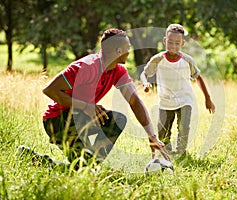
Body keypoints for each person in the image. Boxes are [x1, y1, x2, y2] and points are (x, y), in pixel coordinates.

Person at [23, 28, 169, 166]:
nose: (130, 51)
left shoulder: (118, 71)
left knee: (116, 121)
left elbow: (134, 101)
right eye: (128, 47)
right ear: (118, 51)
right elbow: (49, 90)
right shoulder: (87, 67)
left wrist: (151, 136)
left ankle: (88, 164)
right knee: (83, 167)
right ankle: (83, 165)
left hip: (79, 117)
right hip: (57, 120)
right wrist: (86, 106)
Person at [140, 24, 215, 155]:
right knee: (163, 131)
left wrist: (208, 99)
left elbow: (198, 77)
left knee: (184, 127)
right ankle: (167, 153)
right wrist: (145, 83)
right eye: (170, 42)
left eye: (177, 43)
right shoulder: (158, 59)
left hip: (185, 99)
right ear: (165, 41)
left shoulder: (187, 60)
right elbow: (144, 73)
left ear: (182, 43)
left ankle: (181, 152)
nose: (173, 46)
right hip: (165, 101)